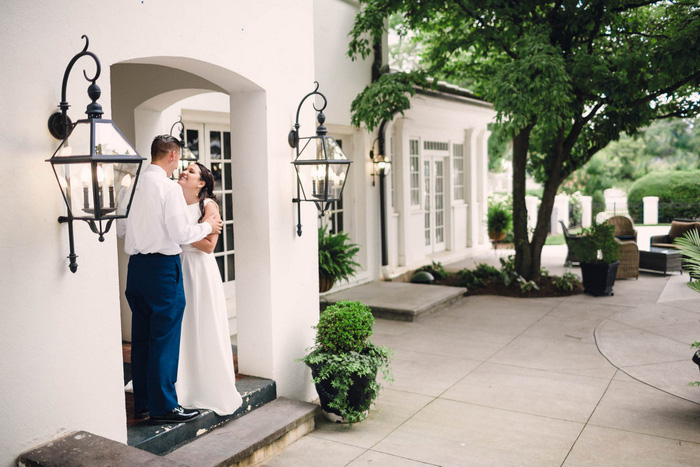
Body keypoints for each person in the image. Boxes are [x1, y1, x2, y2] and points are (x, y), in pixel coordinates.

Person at [117, 135, 223, 425]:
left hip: (135, 268)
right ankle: (164, 407)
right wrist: (205, 226)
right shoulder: (167, 187)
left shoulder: (132, 184)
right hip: (163, 269)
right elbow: (179, 234)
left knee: (141, 338)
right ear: (173, 155)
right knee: (163, 339)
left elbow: (121, 228)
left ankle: (142, 404)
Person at [174, 162, 242, 415]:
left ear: (201, 183)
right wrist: (184, 232)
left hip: (199, 270)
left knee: (202, 322)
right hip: (178, 266)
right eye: (184, 168)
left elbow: (208, 246)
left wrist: (178, 232)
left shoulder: (208, 205)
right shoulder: (175, 200)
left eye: (191, 171)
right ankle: (182, 383)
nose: (184, 172)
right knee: (182, 325)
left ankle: (205, 385)